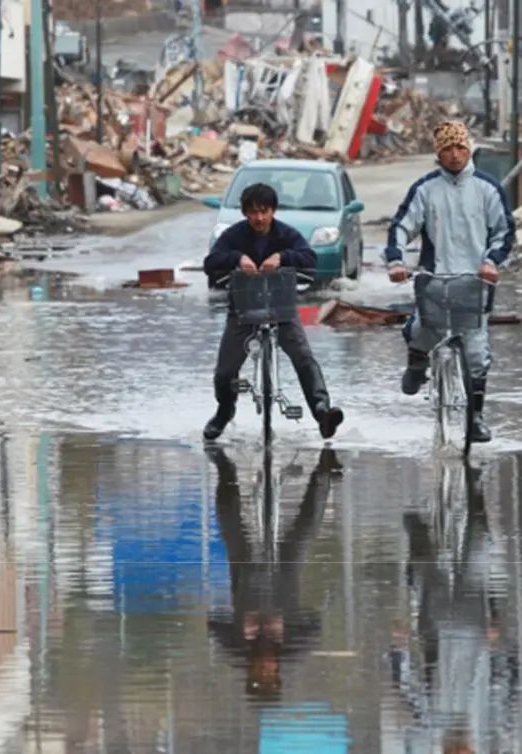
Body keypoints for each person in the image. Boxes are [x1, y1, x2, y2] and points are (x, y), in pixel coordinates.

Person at [385, 120, 514, 443]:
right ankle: (417, 363)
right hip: (435, 279)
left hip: (475, 282)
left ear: (469, 149)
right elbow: (401, 227)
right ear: (438, 154)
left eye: (460, 147)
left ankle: (476, 418)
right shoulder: (425, 189)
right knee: (422, 330)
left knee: (476, 351)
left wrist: (491, 261)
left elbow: (504, 232)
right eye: (447, 149)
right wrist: (396, 261)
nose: (455, 155)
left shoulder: (487, 189)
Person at [202, 182, 344, 441]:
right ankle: (224, 412)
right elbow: (210, 263)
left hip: (282, 309)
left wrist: (282, 257)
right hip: (243, 310)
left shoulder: (287, 235)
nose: (259, 218)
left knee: (303, 357)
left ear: (273, 211)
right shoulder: (234, 236)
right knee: (225, 370)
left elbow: (310, 259)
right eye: (253, 212)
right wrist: (236, 259)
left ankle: (322, 412)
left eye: (264, 211)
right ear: (245, 213)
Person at [206, 445, 342, 699]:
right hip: (286, 574)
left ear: (249, 673)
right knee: (305, 531)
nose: (264, 667)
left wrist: (237, 622)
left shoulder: (237, 649)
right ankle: (323, 474)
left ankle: (225, 469)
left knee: (229, 521)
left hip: (245, 569)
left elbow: (212, 624)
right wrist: (290, 621)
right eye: (269, 673)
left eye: (258, 674)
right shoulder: (292, 650)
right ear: (278, 672)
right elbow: (315, 627)